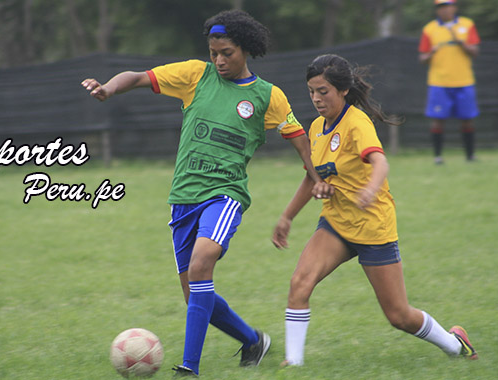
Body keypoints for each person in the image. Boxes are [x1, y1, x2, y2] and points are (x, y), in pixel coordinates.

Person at [82, 10, 327, 377]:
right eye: (214, 52)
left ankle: (189, 368)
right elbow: (136, 77)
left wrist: (317, 177)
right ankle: (252, 341)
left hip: (224, 196)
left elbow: (300, 141)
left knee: (201, 266)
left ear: (244, 49)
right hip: (183, 197)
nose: (219, 60)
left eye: (226, 52)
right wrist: (108, 88)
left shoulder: (267, 96)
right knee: (195, 293)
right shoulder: (195, 75)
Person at [272, 54, 478, 367]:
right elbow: (311, 177)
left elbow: (380, 161)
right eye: (311, 91)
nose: (316, 98)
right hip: (336, 224)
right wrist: (287, 216)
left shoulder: (357, 123)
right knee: (300, 283)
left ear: (342, 90)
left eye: (323, 91)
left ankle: (454, 343)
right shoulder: (315, 128)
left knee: (399, 316)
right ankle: (294, 365)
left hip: (372, 227)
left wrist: (370, 190)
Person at [419, 0, 481, 164]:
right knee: (438, 119)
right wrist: (430, 53)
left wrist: (461, 42)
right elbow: (422, 57)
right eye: (440, 6)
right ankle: (438, 157)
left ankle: (470, 156)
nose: (444, 10)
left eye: (447, 5)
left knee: (467, 118)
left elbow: (475, 51)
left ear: (454, 7)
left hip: (464, 81)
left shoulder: (467, 25)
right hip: (439, 82)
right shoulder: (429, 29)